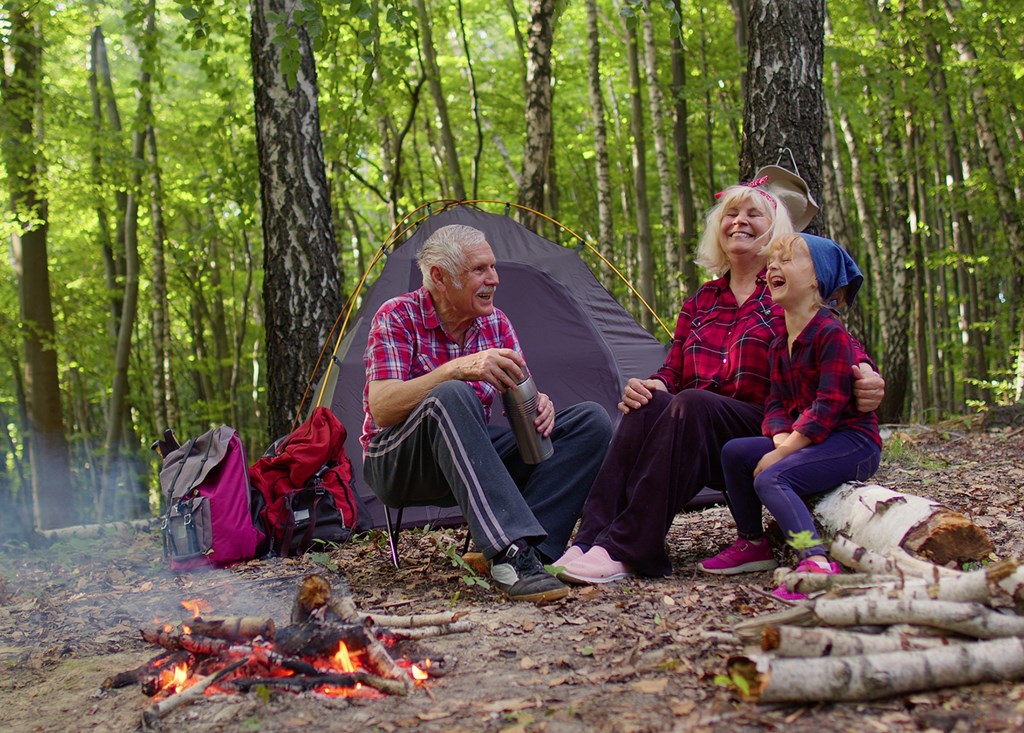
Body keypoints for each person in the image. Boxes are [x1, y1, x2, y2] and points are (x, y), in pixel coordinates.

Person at [555, 166, 885, 584]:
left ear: (776, 233)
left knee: (695, 404)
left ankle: (629, 547)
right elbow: (673, 371)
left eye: (753, 214)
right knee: (647, 402)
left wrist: (868, 375)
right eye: (731, 214)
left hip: (765, 427)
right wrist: (653, 385)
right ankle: (590, 540)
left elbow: (839, 344)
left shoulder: (786, 291)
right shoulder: (701, 301)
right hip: (693, 436)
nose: (739, 221)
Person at [360, 224, 612, 603]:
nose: (493, 279)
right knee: (451, 393)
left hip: (470, 458)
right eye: (479, 270)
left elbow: (519, 404)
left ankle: (530, 554)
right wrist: (456, 368)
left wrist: (538, 406)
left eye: (492, 268)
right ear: (438, 277)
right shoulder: (397, 316)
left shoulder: (496, 323)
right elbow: (381, 408)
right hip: (398, 462)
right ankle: (507, 549)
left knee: (589, 422)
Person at [697, 233, 882, 600]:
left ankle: (815, 561)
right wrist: (781, 441)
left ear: (817, 279)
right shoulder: (781, 342)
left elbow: (828, 407)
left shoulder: (831, 334)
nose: (773, 267)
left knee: (772, 479)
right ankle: (753, 542)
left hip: (852, 443)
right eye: (773, 262)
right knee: (736, 452)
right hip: (810, 440)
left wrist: (782, 454)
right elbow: (776, 403)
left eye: (787, 260)